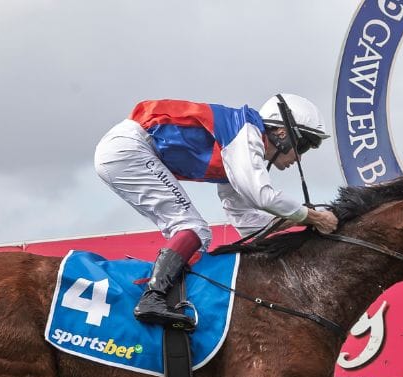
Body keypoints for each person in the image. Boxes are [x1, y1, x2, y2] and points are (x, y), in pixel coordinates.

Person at [94, 94, 339, 330]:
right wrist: (314, 216)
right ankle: (153, 298)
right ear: (282, 133)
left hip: (126, 151)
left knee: (195, 233)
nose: (299, 158)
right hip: (130, 149)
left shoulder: (237, 153)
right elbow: (262, 196)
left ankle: (162, 297)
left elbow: (247, 224)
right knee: (192, 228)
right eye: (302, 146)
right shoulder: (245, 134)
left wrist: (297, 220)